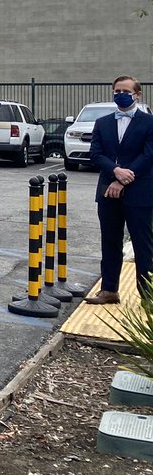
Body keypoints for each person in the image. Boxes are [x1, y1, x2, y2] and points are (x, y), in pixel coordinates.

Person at [84, 75, 153, 305]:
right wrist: (115, 171)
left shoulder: (149, 123)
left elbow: (148, 156)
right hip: (108, 191)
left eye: (125, 91)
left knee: (143, 244)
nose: (120, 95)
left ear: (137, 94)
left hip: (139, 192)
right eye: (116, 91)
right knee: (110, 241)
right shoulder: (103, 122)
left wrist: (123, 178)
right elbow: (96, 154)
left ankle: (147, 295)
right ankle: (109, 290)